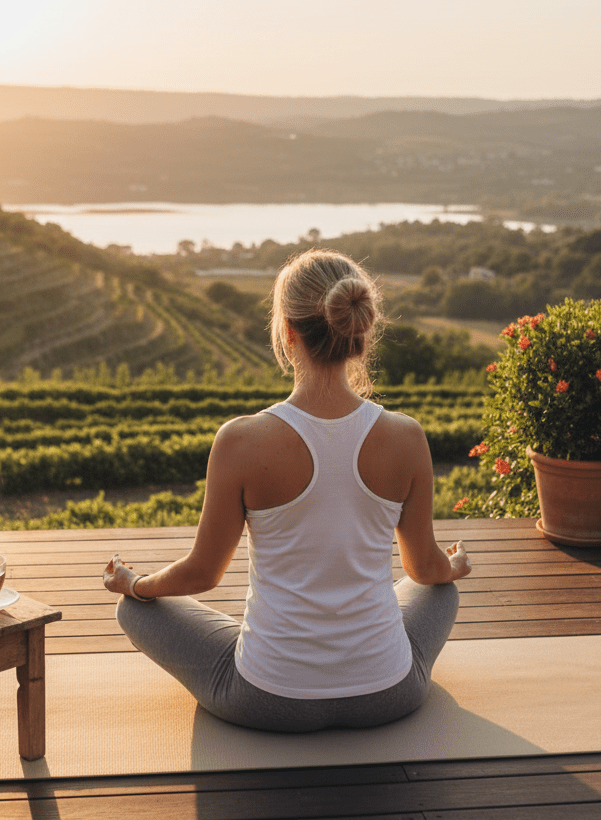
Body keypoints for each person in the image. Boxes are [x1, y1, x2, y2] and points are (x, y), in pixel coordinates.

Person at [103, 248, 471, 733]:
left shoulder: (240, 439)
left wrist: (136, 584)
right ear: (360, 333)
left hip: (267, 699)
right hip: (388, 694)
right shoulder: (407, 436)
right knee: (442, 591)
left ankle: (266, 648)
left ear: (289, 333)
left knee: (135, 612)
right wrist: (454, 567)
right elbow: (423, 568)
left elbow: (202, 573)